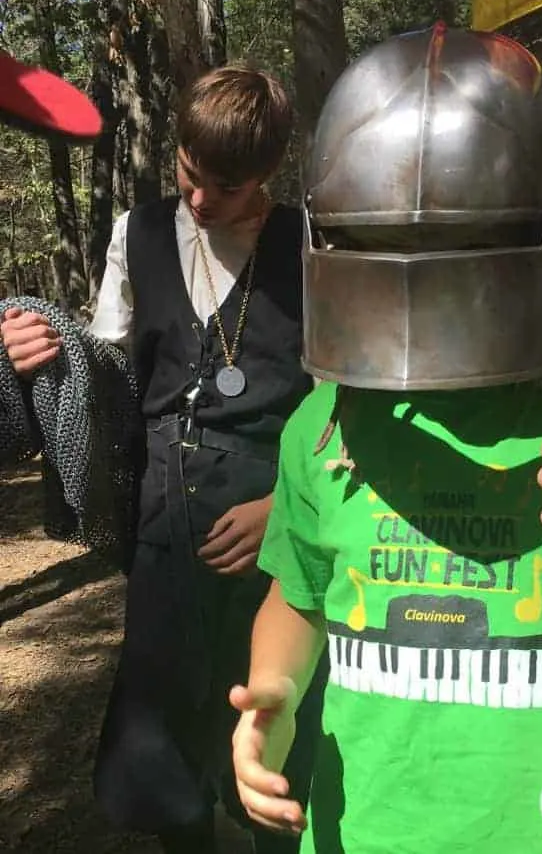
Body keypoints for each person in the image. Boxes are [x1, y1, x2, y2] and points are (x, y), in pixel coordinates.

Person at [229, 26, 542, 854]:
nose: (423, 278)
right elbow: (297, 598)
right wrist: (274, 696)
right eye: (383, 246)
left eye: (464, 242)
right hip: (368, 830)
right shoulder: (324, 426)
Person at [1, 66, 321, 854]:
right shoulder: (135, 233)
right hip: (163, 516)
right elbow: (108, 372)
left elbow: (347, 400)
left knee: (280, 743)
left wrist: (289, 506)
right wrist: (45, 350)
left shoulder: (310, 242)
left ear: (268, 171)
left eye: (227, 184)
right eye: (188, 172)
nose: (202, 199)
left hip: (272, 522)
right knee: (171, 749)